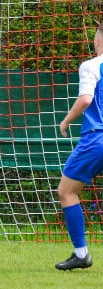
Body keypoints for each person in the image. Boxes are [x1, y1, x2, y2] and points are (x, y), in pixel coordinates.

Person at [54, 22, 103, 271]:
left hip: (97, 139)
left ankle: (81, 253)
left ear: (99, 39)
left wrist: (66, 120)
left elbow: (85, 99)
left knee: (67, 191)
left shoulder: (92, 66)